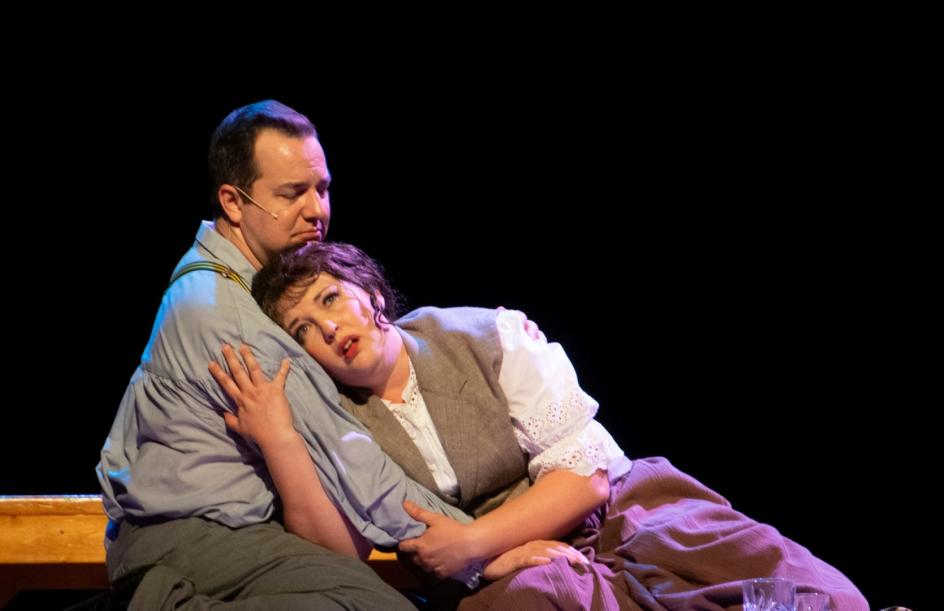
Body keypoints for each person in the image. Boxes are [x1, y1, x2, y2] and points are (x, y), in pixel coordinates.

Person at [211, 240, 869, 610]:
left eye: (330, 299)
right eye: (305, 330)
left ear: (371, 292)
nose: (329, 328)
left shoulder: (486, 334)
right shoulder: (336, 422)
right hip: (512, 578)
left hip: (623, 512)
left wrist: (475, 541)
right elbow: (341, 551)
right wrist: (280, 437)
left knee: (819, 594)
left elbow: (586, 476)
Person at [96, 100, 494, 610]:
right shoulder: (226, 312)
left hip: (219, 532)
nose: (317, 210)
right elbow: (348, 455)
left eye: (322, 188)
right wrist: (486, 547)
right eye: (292, 193)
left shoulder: (221, 277)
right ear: (233, 203)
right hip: (189, 537)